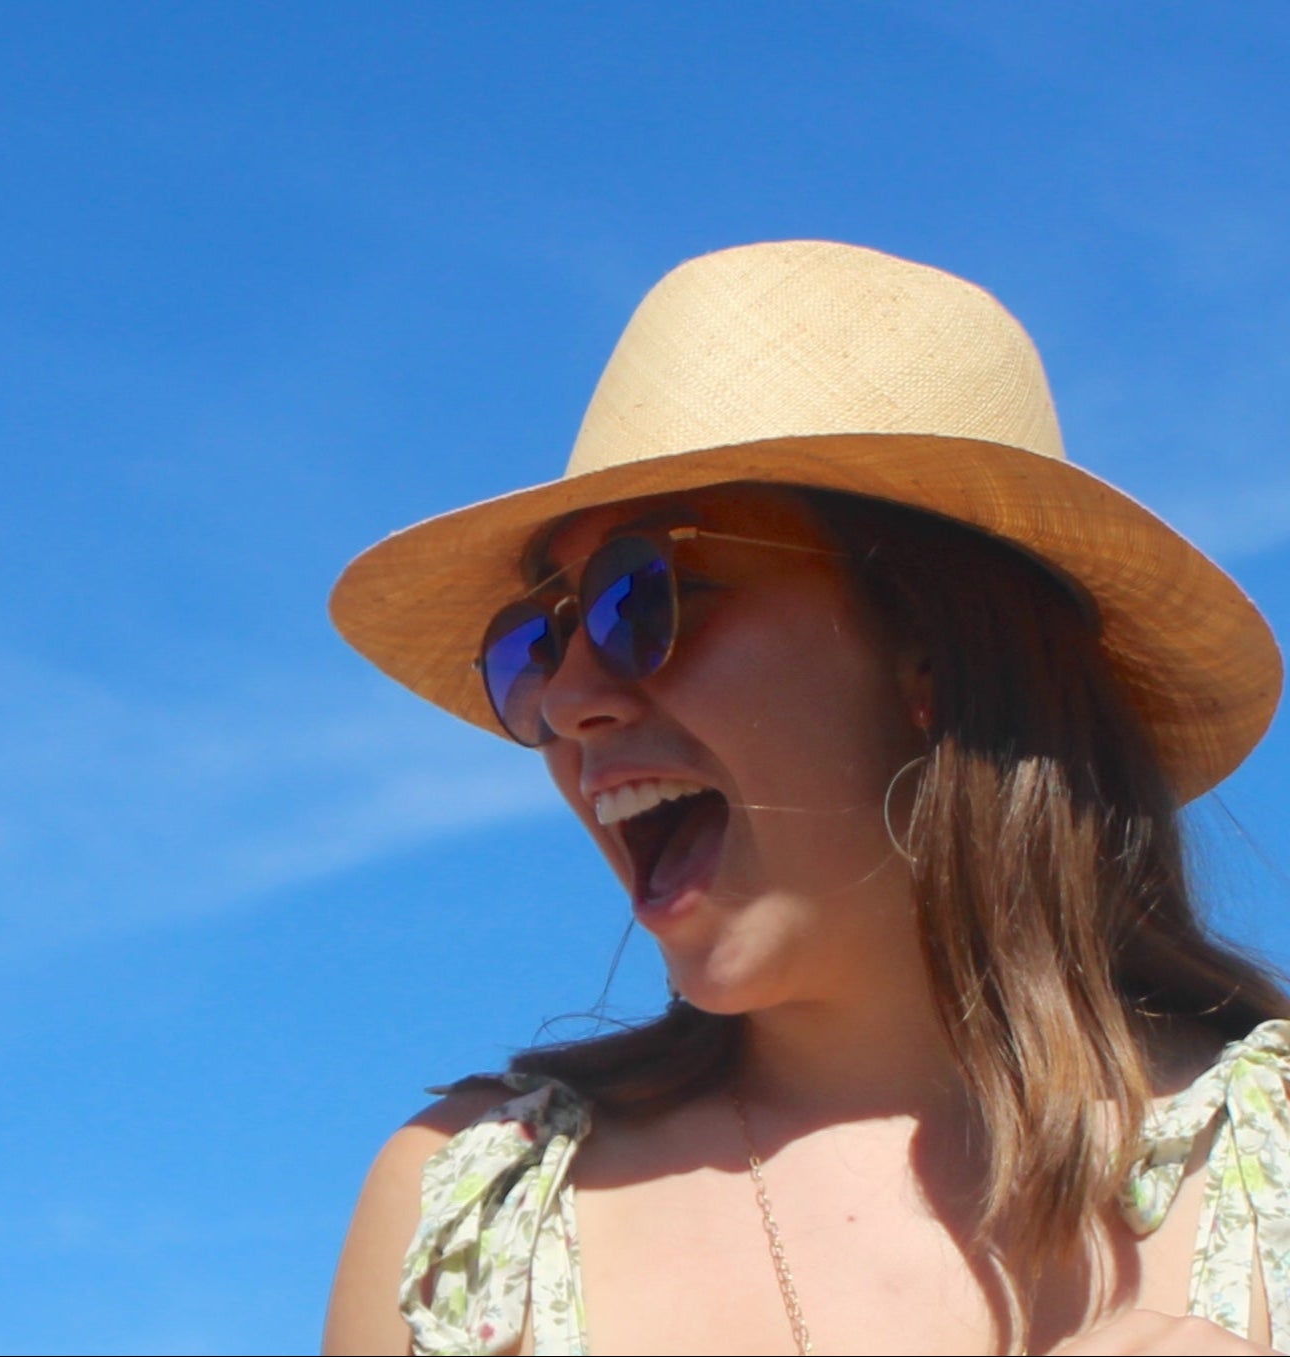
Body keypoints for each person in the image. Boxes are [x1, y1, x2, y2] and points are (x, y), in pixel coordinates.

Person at [321, 240, 1289, 1357]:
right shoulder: (468, 1214)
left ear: (931, 653)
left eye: (646, 594)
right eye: (538, 640)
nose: (572, 695)